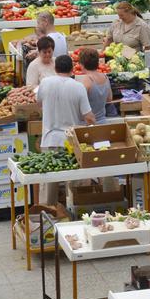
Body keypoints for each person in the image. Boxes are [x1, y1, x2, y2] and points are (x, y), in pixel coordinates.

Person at [35, 55, 96, 206]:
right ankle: (75, 214)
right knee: (74, 183)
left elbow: (39, 103)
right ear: (72, 69)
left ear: (55, 68)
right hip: (70, 142)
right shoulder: (78, 86)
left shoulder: (45, 83)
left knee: (49, 183)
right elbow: (88, 117)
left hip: (49, 140)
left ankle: (48, 215)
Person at [76, 47, 112, 123]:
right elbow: (109, 99)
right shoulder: (105, 77)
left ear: (82, 64)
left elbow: (80, 104)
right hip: (103, 121)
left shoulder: (87, 80)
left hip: (89, 125)